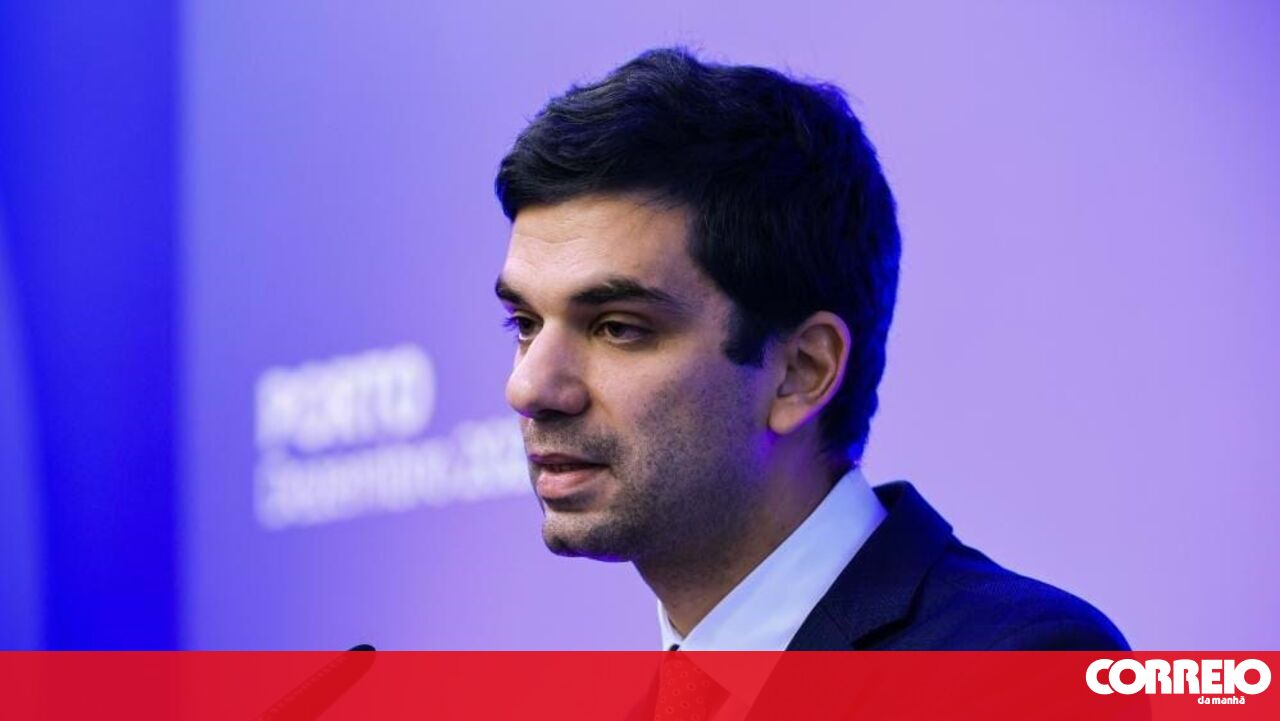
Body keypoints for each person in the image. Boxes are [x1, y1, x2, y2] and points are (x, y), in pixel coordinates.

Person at [492, 47, 1127, 652]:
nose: (528, 387)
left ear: (801, 371)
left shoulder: (1016, 664)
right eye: (525, 322)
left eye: (618, 328)